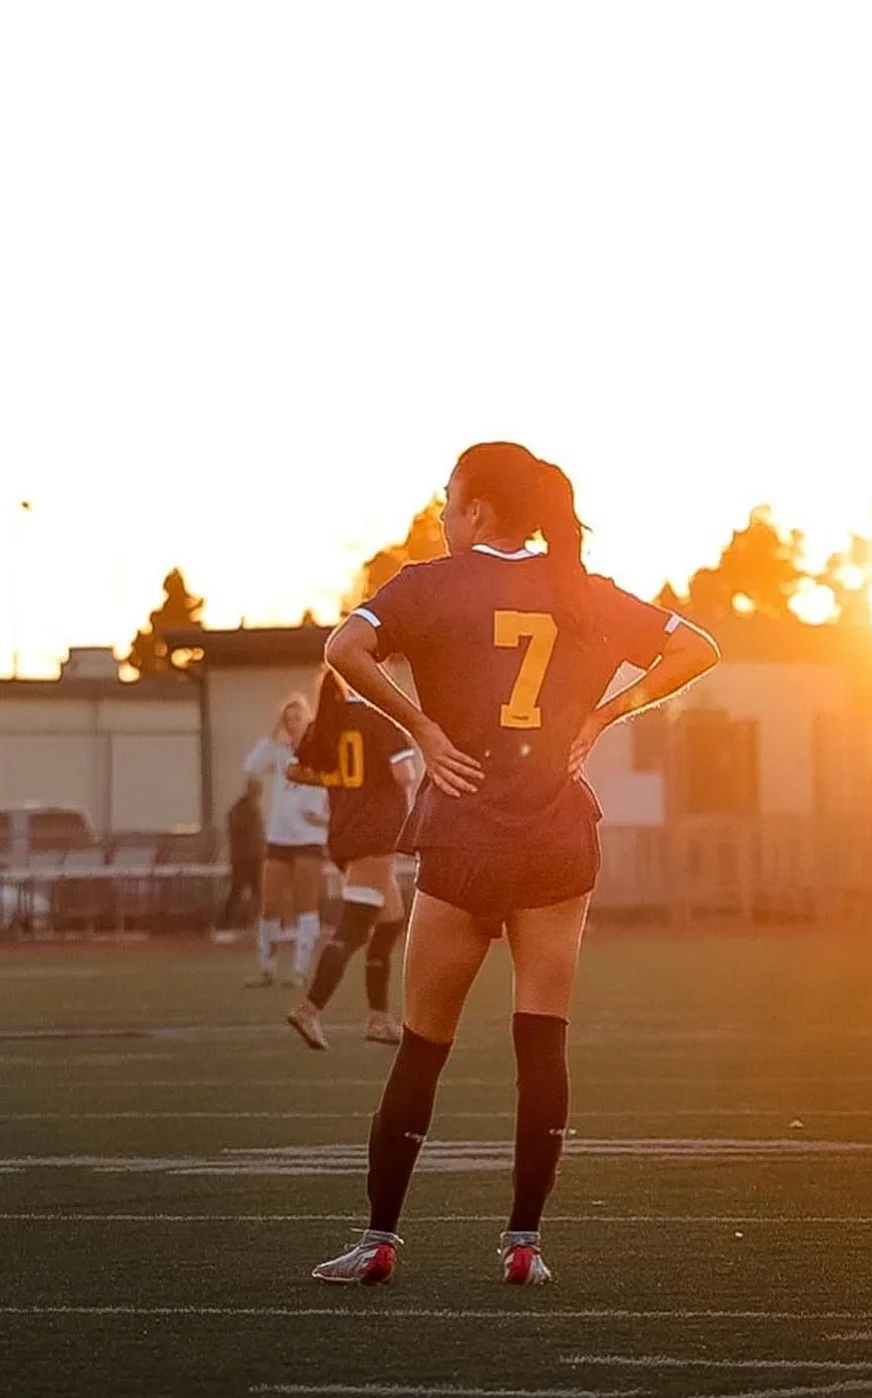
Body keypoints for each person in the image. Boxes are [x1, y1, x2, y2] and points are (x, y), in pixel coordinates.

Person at [309, 442, 720, 1287]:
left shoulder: (426, 585)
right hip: (554, 838)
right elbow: (698, 649)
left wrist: (422, 730)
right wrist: (607, 714)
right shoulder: (584, 591)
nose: (443, 515)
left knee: (423, 1045)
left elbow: (342, 649)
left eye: (449, 499)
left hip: (461, 837)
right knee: (542, 1042)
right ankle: (523, 1244)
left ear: (479, 509)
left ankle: (380, 1240)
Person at [285, 669, 416, 1049]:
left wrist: (338, 781)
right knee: (354, 928)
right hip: (374, 833)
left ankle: (378, 1018)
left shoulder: (327, 721)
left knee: (391, 921)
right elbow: (402, 774)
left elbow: (294, 769)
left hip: (343, 832)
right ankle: (310, 1009)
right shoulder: (382, 719)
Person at [244, 694, 328, 988]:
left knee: (306, 904)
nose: (292, 724)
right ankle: (266, 969)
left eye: (297, 718)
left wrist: (325, 821)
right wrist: (272, 733)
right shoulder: (278, 753)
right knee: (269, 904)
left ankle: (300, 971)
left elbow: (339, 790)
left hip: (309, 838)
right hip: (279, 837)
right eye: (287, 719)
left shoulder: (321, 752)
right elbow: (252, 766)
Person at [220, 777, 265, 929]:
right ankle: (227, 923)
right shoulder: (241, 810)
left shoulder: (251, 809)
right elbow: (242, 833)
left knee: (255, 890)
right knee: (238, 889)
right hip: (244, 857)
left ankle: (253, 921)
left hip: (254, 856)